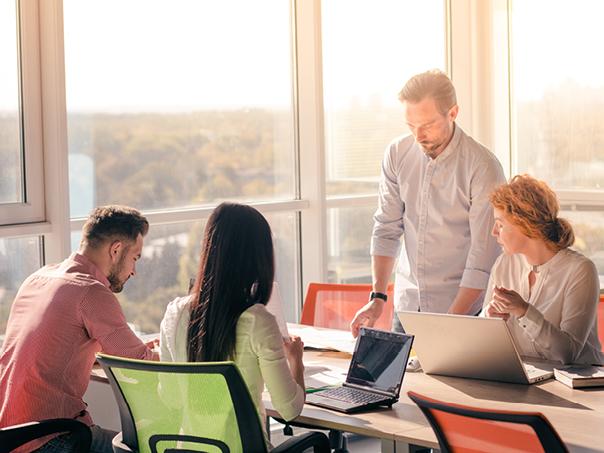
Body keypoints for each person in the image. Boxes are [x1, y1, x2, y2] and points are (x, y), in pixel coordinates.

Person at [351, 69, 506, 337]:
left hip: (462, 311)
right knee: (400, 380)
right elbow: (386, 228)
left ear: (453, 113)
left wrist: (449, 323)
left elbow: (483, 257)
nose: (419, 135)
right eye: (411, 126)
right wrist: (378, 298)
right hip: (408, 308)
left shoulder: (482, 166)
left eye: (428, 125)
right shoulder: (397, 153)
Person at [0, 205, 157, 453]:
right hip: (52, 439)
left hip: (11, 437)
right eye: (135, 258)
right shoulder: (91, 291)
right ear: (116, 250)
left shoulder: (38, 278)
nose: (134, 271)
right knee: (149, 447)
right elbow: (142, 365)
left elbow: (52, 350)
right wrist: (173, 350)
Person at [159, 202, 305, 440]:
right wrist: (296, 361)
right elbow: (289, 410)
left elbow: (170, 397)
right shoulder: (258, 321)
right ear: (259, 257)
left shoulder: (174, 313)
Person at [483, 175, 602, 365]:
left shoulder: (580, 270)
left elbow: (568, 353)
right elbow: (485, 341)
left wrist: (523, 311)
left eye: (500, 224)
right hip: (525, 381)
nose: (494, 232)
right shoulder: (505, 264)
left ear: (525, 224)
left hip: (578, 388)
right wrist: (490, 317)